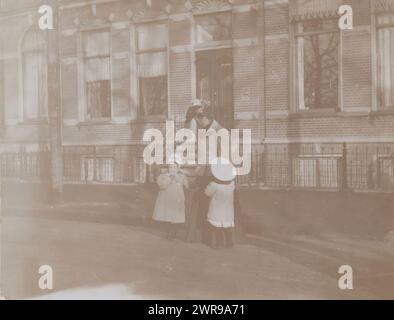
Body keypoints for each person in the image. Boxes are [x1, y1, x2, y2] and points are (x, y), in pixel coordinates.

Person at [205, 158, 236, 249]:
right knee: (226, 226)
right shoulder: (232, 184)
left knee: (216, 226)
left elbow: (207, 193)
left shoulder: (214, 185)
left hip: (216, 209)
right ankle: (230, 242)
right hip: (228, 209)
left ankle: (219, 243)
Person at [152, 162, 188, 240]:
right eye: (171, 167)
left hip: (177, 198)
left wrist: (183, 177)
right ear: (168, 168)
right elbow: (162, 186)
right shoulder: (163, 176)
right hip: (166, 198)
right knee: (168, 215)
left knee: (175, 216)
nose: (172, 169)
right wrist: (170, 178)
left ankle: (174, 232)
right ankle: (169, 232)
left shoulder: (181, 176)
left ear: (178, 169)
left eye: (175, 167)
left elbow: (187, 186)